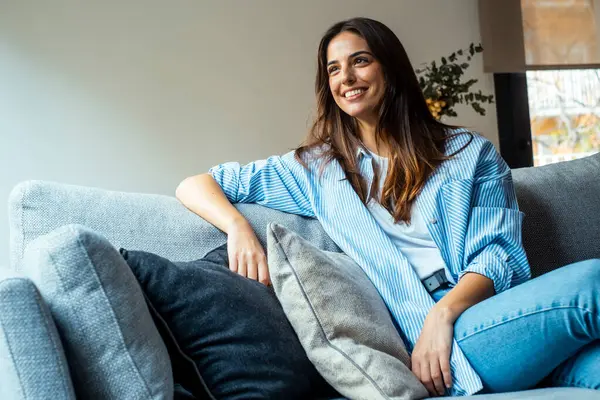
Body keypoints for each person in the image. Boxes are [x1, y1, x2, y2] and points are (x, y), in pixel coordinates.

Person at [176, 17, 600, 397]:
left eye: (360, 61)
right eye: (334, 69)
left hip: (476, 314)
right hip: (427, 343)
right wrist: (237, 228)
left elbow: (498, 254)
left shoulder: (471, 154)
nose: (346, 77)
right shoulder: (316, 169)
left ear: (390, 68)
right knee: (593, 281)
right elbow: (196, 184)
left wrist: (444, 312)